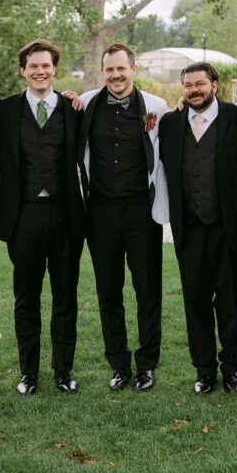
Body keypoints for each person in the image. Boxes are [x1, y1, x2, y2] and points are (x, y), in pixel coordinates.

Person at [0, 40, 85, 396]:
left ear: (55, 69)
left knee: (66, 299)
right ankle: (28, 373)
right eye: (33, 66)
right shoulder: (5, 110)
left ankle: (63, 371)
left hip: (65, 216)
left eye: (46, 66)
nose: (40, 71)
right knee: (26, 299)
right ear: (23, 70)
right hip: (24, 216)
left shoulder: (73, 108)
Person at [78, 43, 168, 392]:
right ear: (103, 72)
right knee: (108, 292)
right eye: (110, 70)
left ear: (134, 69)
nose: (116, 75)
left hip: (141, 211)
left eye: (121, 69)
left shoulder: (156, 107)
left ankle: (146, 365)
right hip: (99, 212)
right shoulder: (85, 104)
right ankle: (118, 364)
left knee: (148, 291)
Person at [159, 63, 237, 394]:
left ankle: (231, 368)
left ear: (215, 84)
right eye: (188, 85)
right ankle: (204, 370)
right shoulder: (170, 123)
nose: (194, 90)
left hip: (230, 229)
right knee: (195, 302)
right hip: (188, 230)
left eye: (200, 83)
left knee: (229, 302)